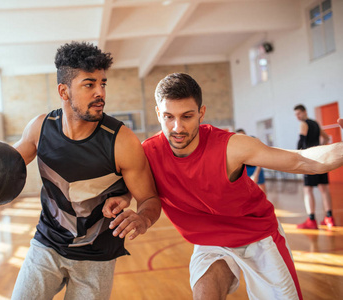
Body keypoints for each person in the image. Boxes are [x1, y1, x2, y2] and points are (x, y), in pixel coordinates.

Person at [0, 41, 161, 300]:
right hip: (47, 244)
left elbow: (149, 199)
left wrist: (142, 218)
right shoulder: (40, 128)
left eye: (103, 83)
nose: (100, 92)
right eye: (89, 84)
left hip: (97, 255)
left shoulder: (122, 141)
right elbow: (4, 165)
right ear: (64, 91)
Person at [136, 73, 343, 300]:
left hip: (257, 236)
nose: (177, 127)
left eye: (187, 116)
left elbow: (302, 160)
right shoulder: (147, 154)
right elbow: (125, 189)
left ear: (201, 113)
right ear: (158, 113)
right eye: (168, 116)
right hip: (210, 243)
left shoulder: (231, 147)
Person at [294, 104, 334, 230]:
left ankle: (311, 220)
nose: (297, 117)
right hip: (320, 159)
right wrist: (320, 149)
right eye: (296, 114)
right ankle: (329, 218)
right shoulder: (316, 123)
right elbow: (326, 137)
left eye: (299, 113)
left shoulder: (303, 124)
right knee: (324, 189)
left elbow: (301, 143)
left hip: (310, 160)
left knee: (308, 190)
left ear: (304, 112)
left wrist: (297, 157)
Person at [235, 129, 267, 193]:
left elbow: (261, 157)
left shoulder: (253, 140)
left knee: (262, 189)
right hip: (246, 169)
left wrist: (256, 174)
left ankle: (265, 202)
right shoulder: (237, 147)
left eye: (243, 135)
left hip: (257, 167)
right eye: (239, 136)